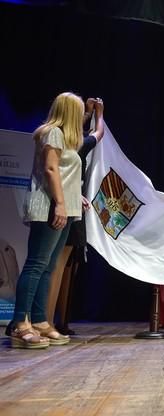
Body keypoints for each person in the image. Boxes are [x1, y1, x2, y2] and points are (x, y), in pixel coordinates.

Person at [8, 92, 87, 349]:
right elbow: (51, 169)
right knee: (36, 264)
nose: (81, 117)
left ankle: (41, 321)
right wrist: (61, 203)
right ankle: (20, 324)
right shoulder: (52, 132)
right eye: (79, 111)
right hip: (50, 207)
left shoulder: (65, 137)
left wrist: (77, 196)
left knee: (49, 266)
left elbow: (64, 173)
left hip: (64, 206)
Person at [45, 97, 105, 333]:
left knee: (61, 263)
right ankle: (47, 321)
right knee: (55, 264)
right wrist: (99, 113)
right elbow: (98, 133)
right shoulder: (70, 142)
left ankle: (53, 320)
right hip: (63, 205)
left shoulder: (65, 140)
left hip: (69, 203)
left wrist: (89, 112)